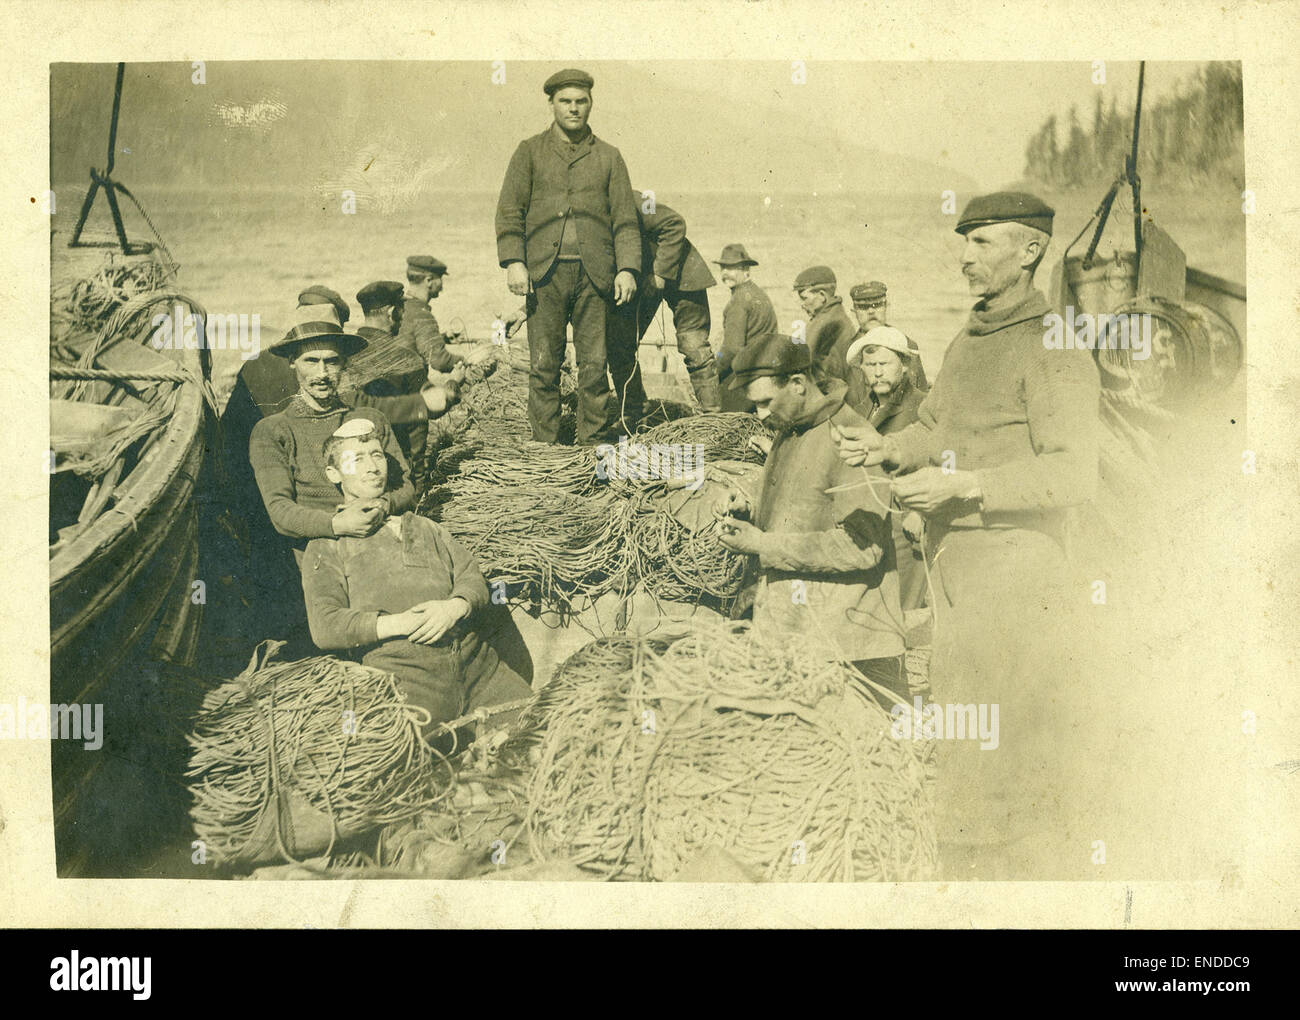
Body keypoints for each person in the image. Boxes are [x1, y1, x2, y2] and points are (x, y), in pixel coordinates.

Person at [831, 191, 1101, 880]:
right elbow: (932, 430)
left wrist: (963, 485)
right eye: (965, 243)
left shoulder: (1055, 344)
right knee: (965, 731)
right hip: (956, 572)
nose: (964, 259)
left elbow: (1074, 473)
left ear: (1030, 252)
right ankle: (968, 865)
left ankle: (1015, 876)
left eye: (982, 244)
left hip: (1017, 578)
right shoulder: (966, 338)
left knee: (1008, 746)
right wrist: (884, 448)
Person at [301, 420, 534, 746]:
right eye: (357, 459)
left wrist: (454, 607)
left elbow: (472, 577)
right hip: (406, 682)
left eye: (377, 456)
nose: (371, 468)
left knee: (541, 732)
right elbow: (325, 626)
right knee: (399, 768)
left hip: (481, 672)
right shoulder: (327, 545)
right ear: (334, 474)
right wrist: (403, 623)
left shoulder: (426, 527)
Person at [712, 332, 907, 703]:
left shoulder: (851, 439)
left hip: (846, 651)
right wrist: (749, 504)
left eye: (766, 402)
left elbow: (861, 548)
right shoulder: (794, 429)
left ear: (798, 384)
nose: (761, 415)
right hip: (799, 635)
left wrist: (761, 543)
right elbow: (803, 504)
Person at [495, 67, 640, 445]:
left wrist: (626, 268)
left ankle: (591, 446)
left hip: (597, 278)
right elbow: (510, 210)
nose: (574, 109)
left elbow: (625, 218)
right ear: (551, 104)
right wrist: (514, 261)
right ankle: (546, 446)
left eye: (581, 101)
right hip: (544, 277)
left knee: (594, 366)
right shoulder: (529, 152)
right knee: (544, 364)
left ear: (591, 104)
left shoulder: (610, 157)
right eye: (565, 101)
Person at [249, 319, 433, 567]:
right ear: (292, 361)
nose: (322, 374)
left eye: (332, 361)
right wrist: (338, 524)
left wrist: (382, 506)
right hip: (320, 557)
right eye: (311, 361)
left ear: (344, 363)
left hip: (383, 541)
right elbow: (280, 510)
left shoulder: (371, 420)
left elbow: (405, 486)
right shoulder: (273, 431)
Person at [606, 189, 721, 429]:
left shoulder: (637, 200)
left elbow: (674, 224)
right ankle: (634, 413)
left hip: (682, 276)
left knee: (694, 346)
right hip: (640, 282)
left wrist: (660, 273)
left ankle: (713, 419)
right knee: (620, 344)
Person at [843, 325, 928, 614]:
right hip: (869, 521)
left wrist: (921, 513)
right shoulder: (858, 410)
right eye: (870, 365)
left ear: (904, 366)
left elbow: (942, 462)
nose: (877, 372)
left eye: (885, 364)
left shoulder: (922, 407)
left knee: (903, 609)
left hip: (905, 524)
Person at [349, 279, 461, 489]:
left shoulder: (347, 354)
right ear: (392, 313)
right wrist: (454, 383)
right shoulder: (405, 358)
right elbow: (433, 407)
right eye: (402, 311)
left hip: (357, 468)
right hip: (400, 473)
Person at [714, 243, 777, 412]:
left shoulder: (739, 301)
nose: (726, 273)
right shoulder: (759, 294)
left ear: (746, 270)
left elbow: (731, 350)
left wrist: (712, 374)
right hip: (764, 374)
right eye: (723, 268)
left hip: (743, 379)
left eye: (733, 268)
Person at [849, 280, 929, 390]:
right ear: (854, 311)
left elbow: (919, 391)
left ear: (886, 306)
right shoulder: (845, 348)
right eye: (863, 307)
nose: (871, 311)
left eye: (877, 305)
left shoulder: (906, 345)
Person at [396, 255, 464, 375]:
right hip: (409, 387)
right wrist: (469, 359)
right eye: (440, 278)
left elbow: (410, 341)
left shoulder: (401, 307)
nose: (442, 285)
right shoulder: (422, 315)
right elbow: (440, 361)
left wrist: (442, 338)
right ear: (428, 281)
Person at [793, 265, 856, 382]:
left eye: (804, 298)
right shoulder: (834, 315)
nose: (802, 304)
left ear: (822, 296)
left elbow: (802, 361)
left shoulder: (827, 322)